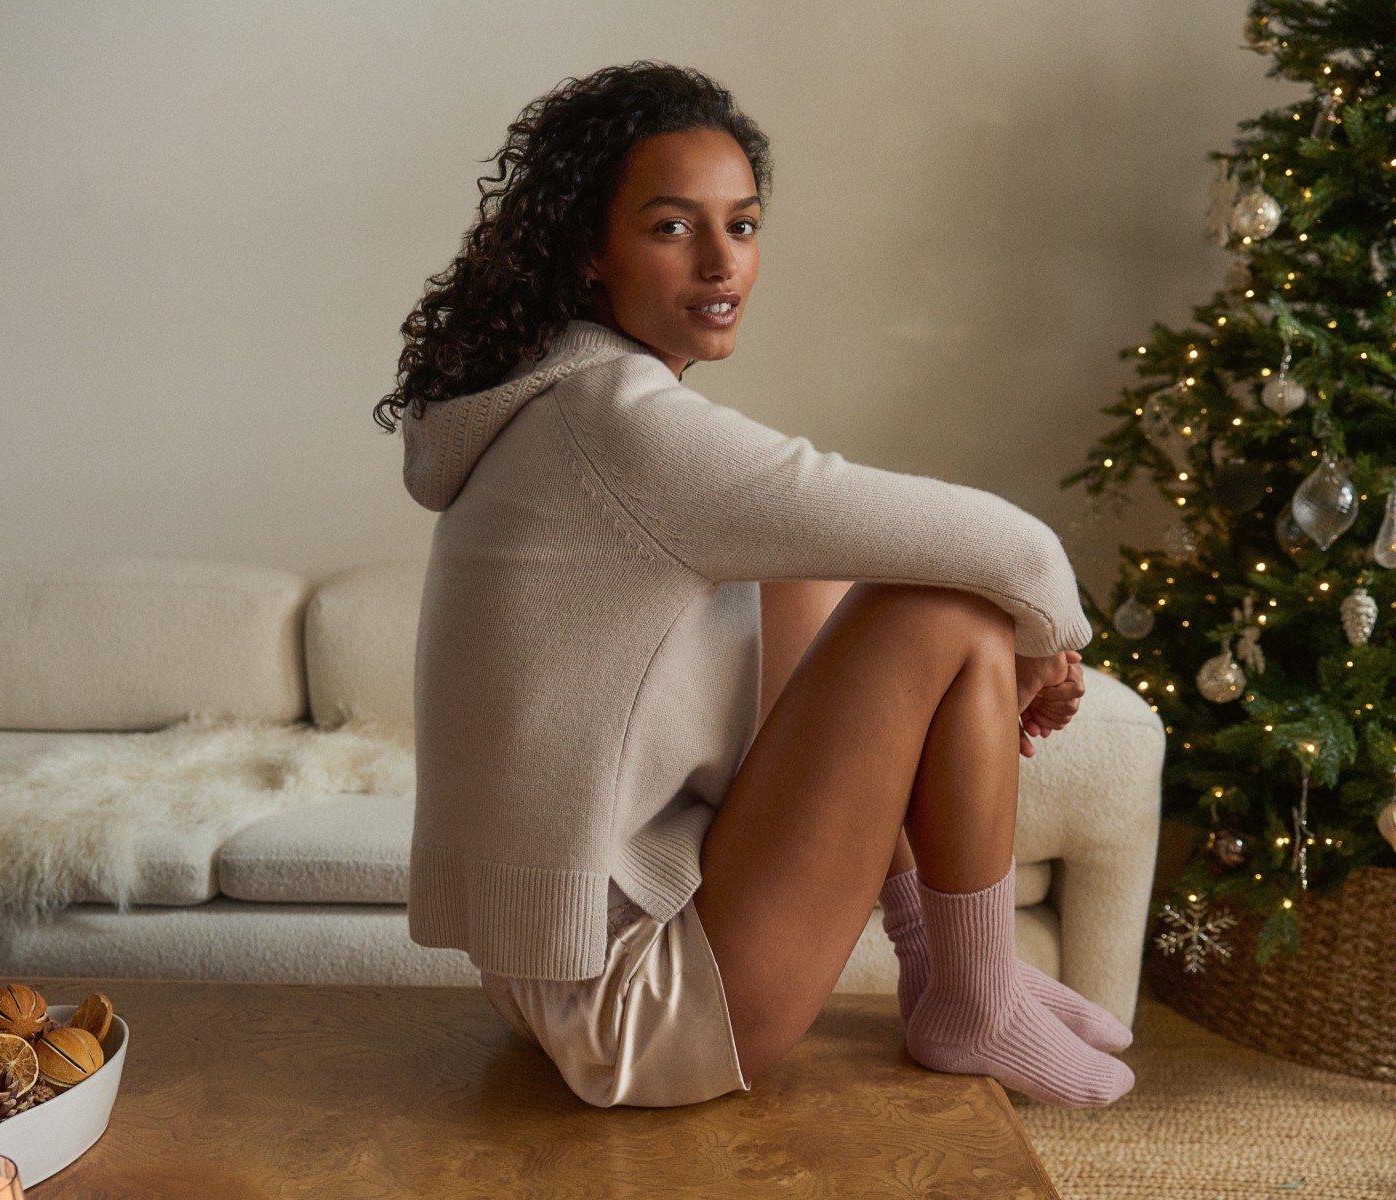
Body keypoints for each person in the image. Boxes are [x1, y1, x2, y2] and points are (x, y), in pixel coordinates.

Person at [376, 61, 1135, 1110]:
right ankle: (969, 999)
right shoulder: (620, 425)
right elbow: (996, 544)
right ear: (589, 251)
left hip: (557, 973)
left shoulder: (556, 397)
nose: (720, 261)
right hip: (638, 1011)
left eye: (741, 224)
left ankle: (959, 969)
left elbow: (870, 530)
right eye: (672, 227)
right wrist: (1044, 639)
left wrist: (1028, 628)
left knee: (813, 565)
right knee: (943, 607)